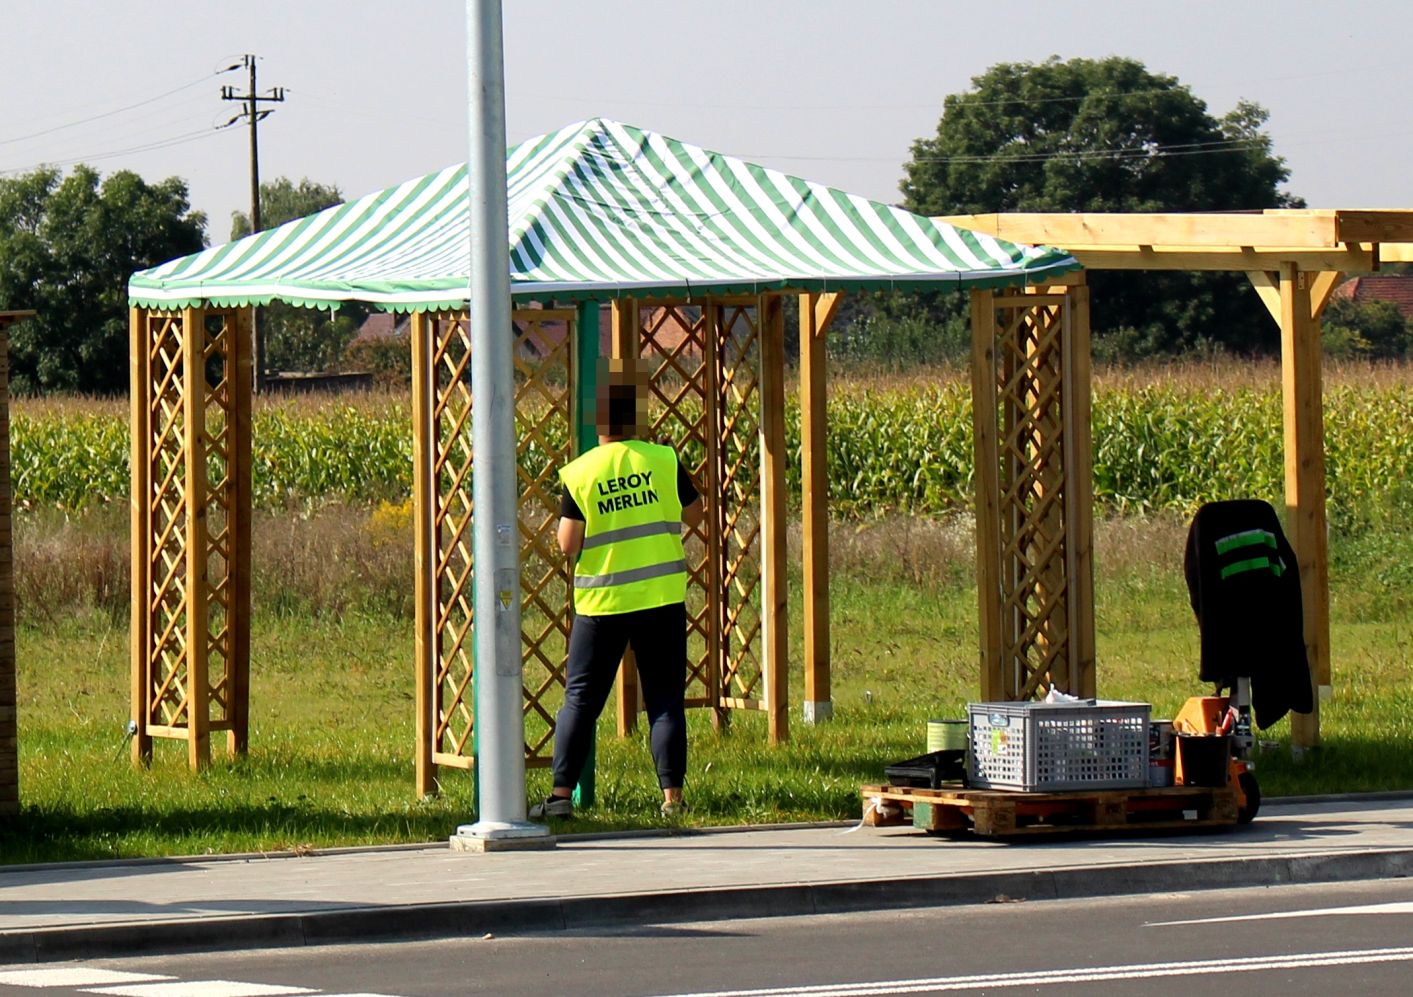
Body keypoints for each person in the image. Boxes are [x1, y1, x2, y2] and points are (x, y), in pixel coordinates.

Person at [531, 359, 704, 820]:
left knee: (581, 700)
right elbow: (697, 515)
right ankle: (672, 800)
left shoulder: (582, 472)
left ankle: (562, 796)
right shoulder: (664, 459)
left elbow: (569, 544)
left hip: (602, 602)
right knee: (665, 701)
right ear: (639, 417)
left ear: (598, 421)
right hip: (660, 599)